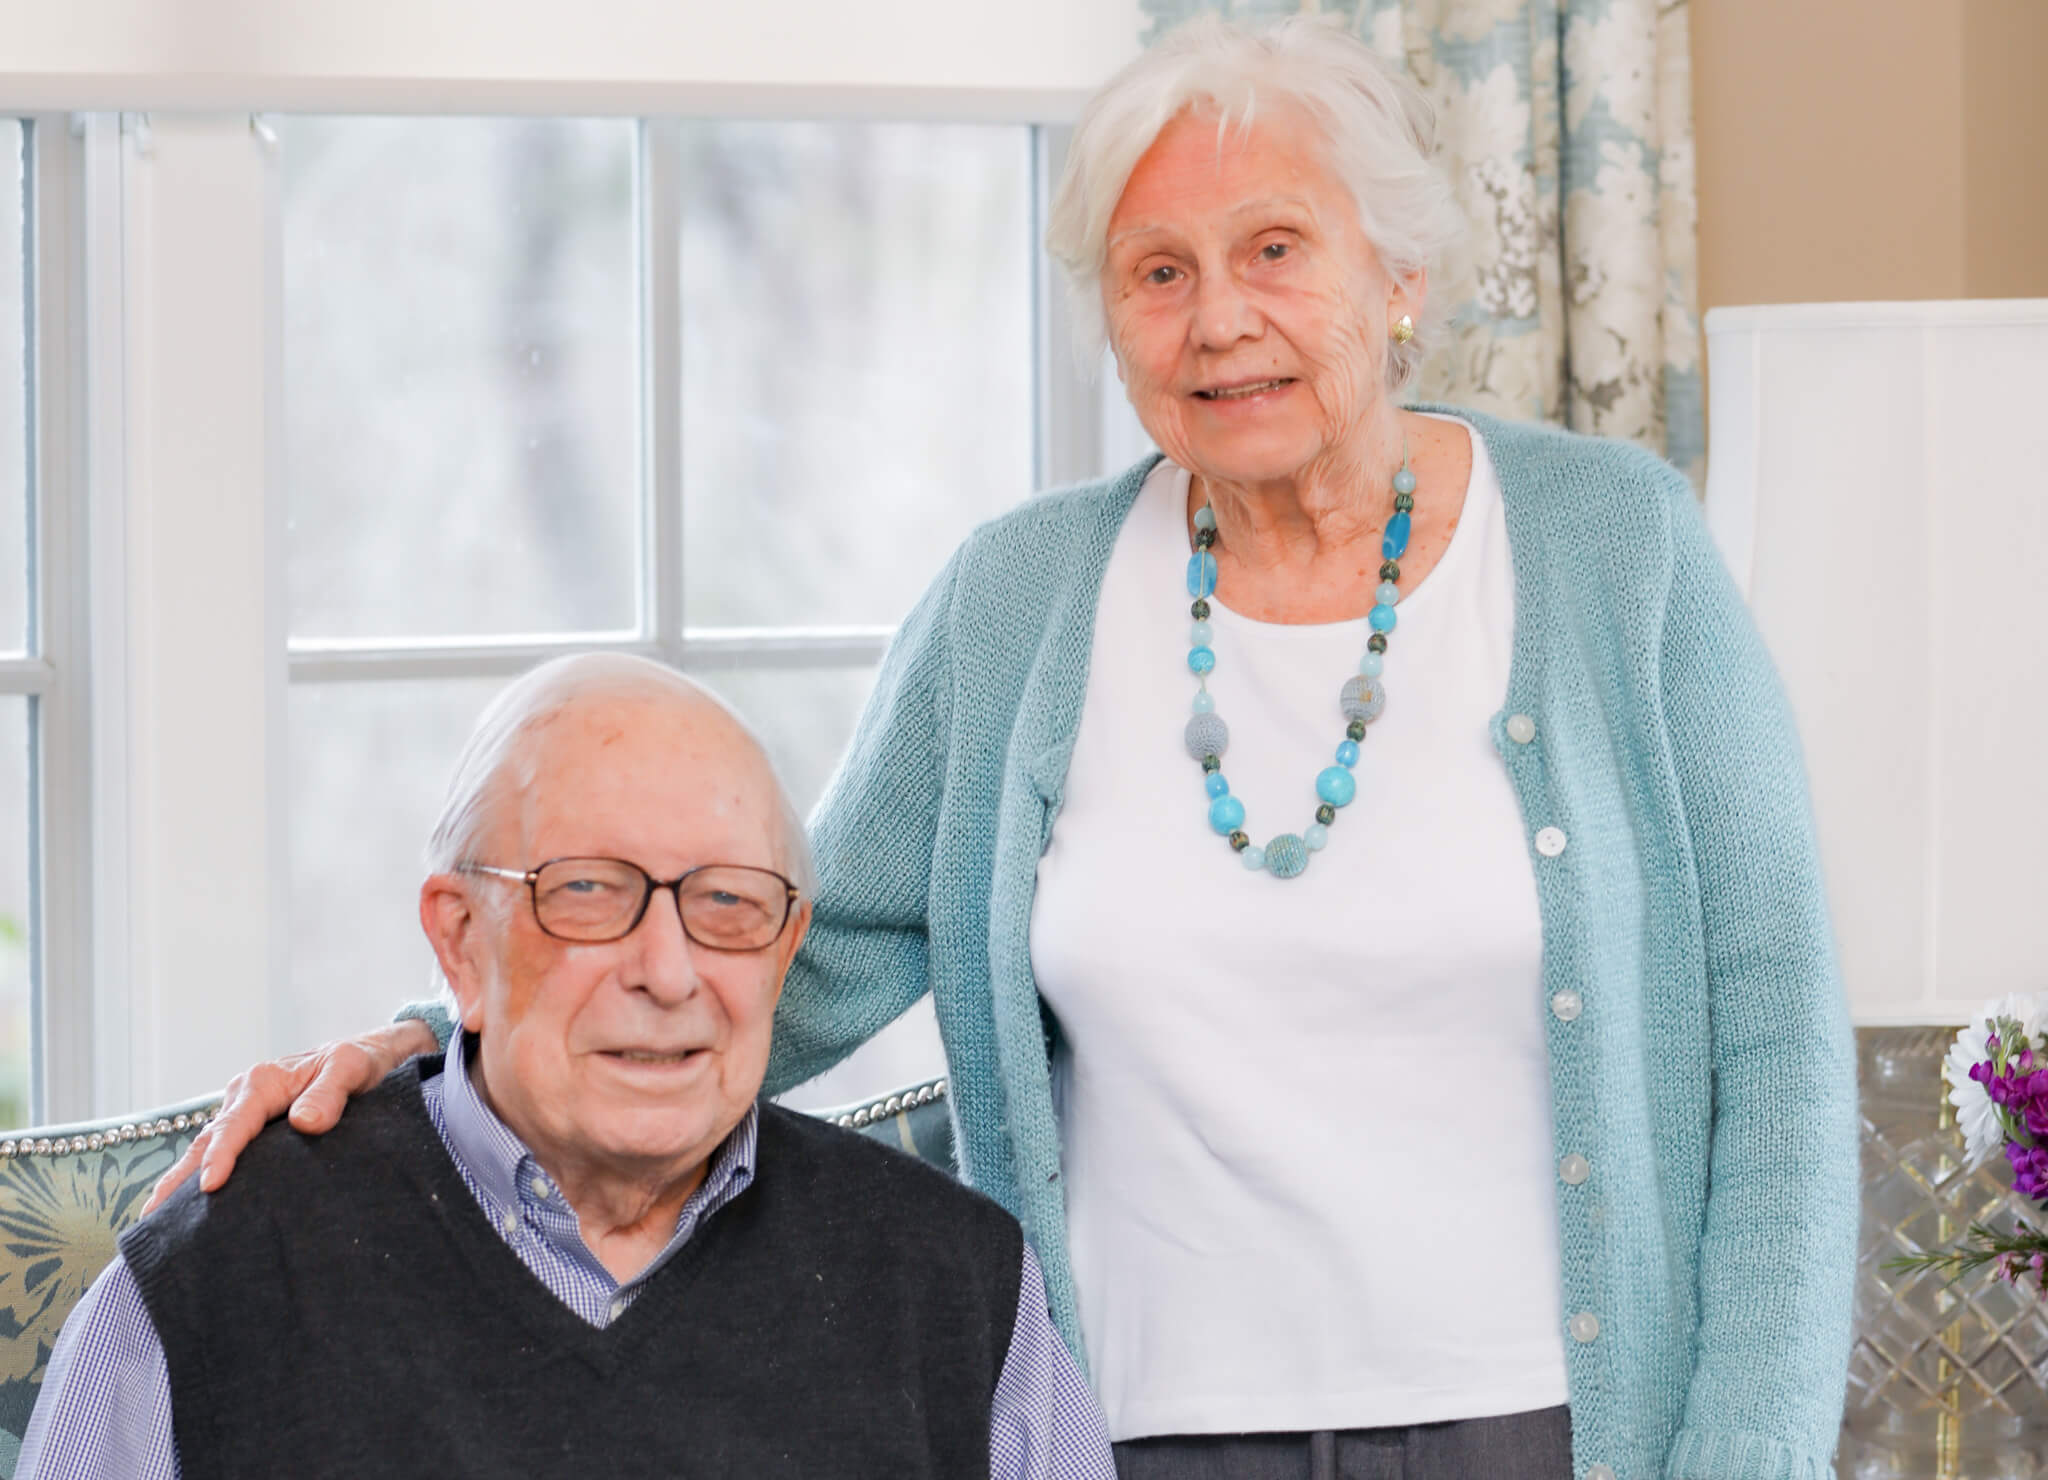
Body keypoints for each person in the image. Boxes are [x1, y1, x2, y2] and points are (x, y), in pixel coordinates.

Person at [149, 17, 1858, 1480]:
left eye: (1276, 249)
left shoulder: (1611, 553)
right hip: (1135, 1432)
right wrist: (436, 1047)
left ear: (1396, 278)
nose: (1216, 319)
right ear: (1109, 319)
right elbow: (782, 959)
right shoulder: (1016, 605)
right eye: (1156, 272)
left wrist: (1746, 1456)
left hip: (1550, 1425)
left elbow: (1770, 1043)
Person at [21, 655, 1114, 1479]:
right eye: (588, 891)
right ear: (458, 940)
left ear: (787, 950)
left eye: (727, 902)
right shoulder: (219, 1279)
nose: (668, 969)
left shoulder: (955, 1288)